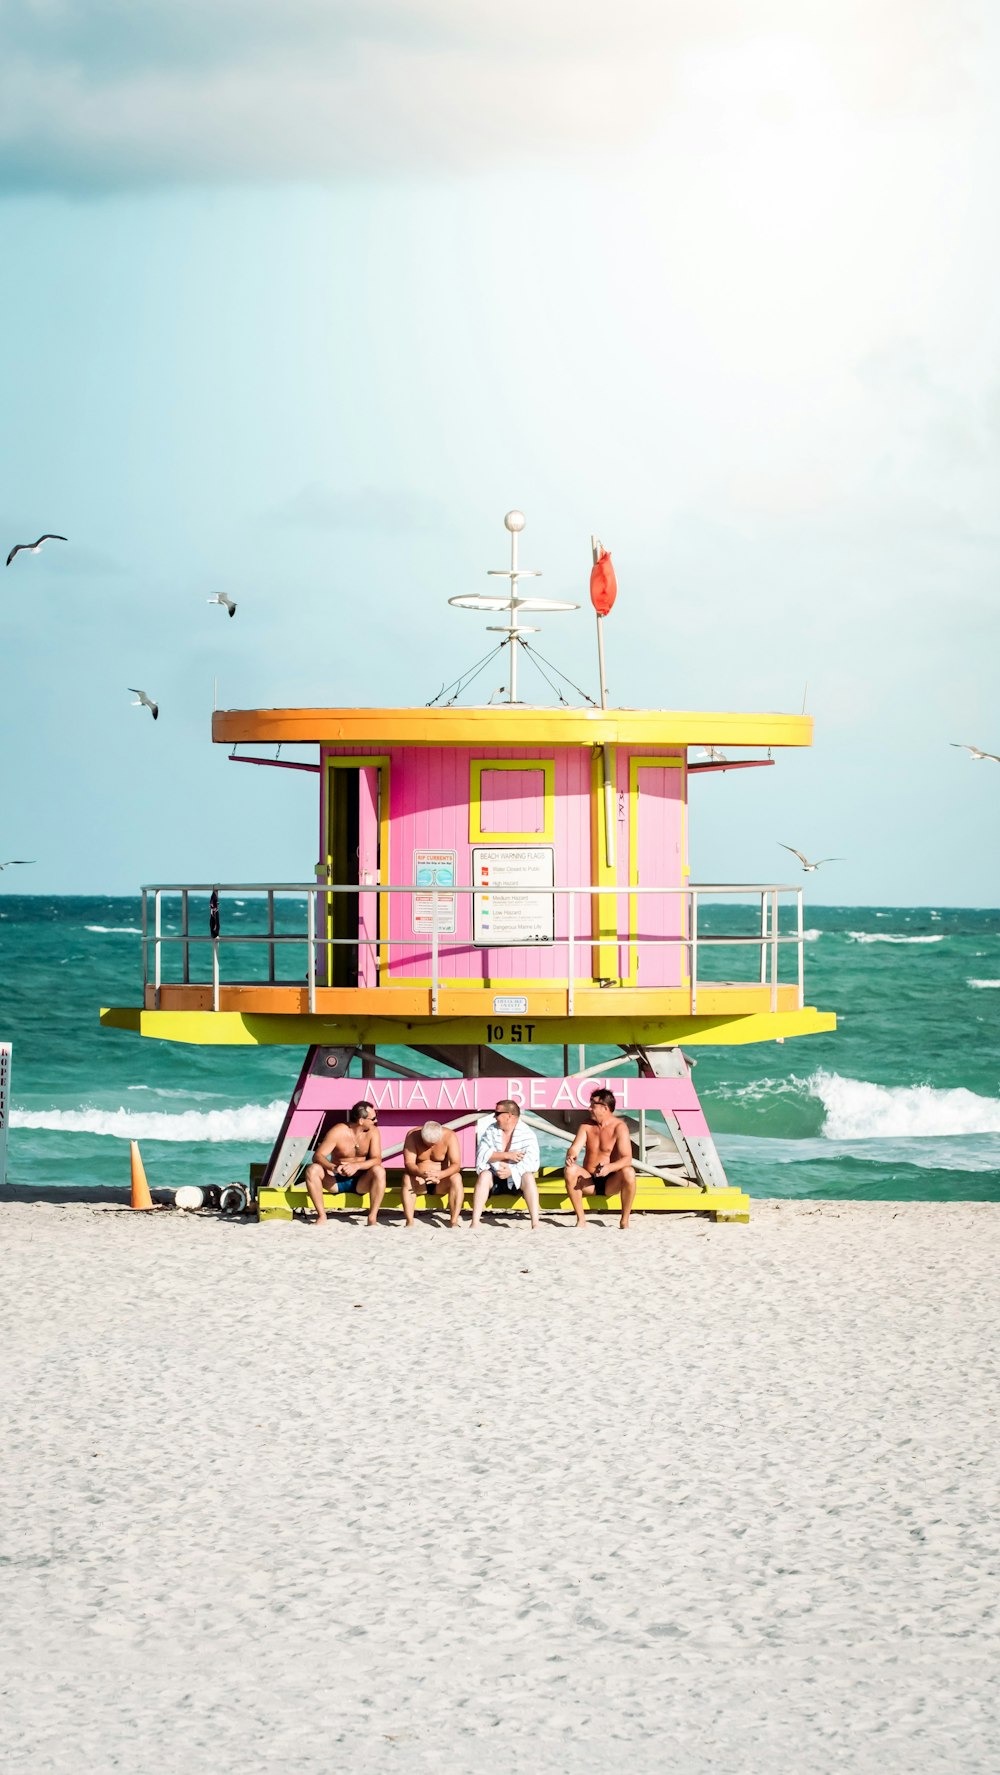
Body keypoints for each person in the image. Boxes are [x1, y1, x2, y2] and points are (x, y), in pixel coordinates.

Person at [564, 1088, 637, 1229]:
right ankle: (581, 1220)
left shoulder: (619, 1127)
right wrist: (571, 1155)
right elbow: (575, 1147)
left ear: (604, 1108)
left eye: (593, 1104)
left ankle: (624, 1220)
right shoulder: (586, 1125)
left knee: (629, 1172)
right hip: (589, 1180)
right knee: (570, 1170)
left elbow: (627, 1159)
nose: (589, 1108)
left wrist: (609, 1167)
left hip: (611, 1181)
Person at [304, 1101, 387, 1226]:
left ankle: (372, 1218)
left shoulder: (373, 1132)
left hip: (361, 1181)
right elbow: (318, 1156)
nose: (375, 1121)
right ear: (361, 1120)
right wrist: (334, 1168)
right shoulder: (338, 1131)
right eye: (373, 1118)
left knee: (379, 1171)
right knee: (312, 1169)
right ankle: (321, 1215)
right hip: (337, 1181)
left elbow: (377, 1159)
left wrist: (357, 1166)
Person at [472, 1099, 541, 1229]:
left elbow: (532, 1162)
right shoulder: (491, 1130)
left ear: (509, 1116)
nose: (494, 1116)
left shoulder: (527, 1134)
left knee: (529, 1177)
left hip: (516, 1180)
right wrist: (507, 1155)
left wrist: (511, 1171)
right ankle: (475, 1222)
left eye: (497, 1113)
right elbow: (481, 1154)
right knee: (484, 1175)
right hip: (495, 1176)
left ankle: (535, 1223)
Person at [401, 1121, 465, 1228]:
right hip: (420, 1180)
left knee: (457, 1178)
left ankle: (454, 1221)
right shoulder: (412, 1135)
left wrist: (441, 1174)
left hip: (441, 1181)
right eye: (427, 1143)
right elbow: (409, 1163)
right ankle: (409, 1221)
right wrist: (420, 1173)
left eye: (434, 1143)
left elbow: (456, 1165)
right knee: (407, 1178)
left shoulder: (450, 1136)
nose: (430, 1146)